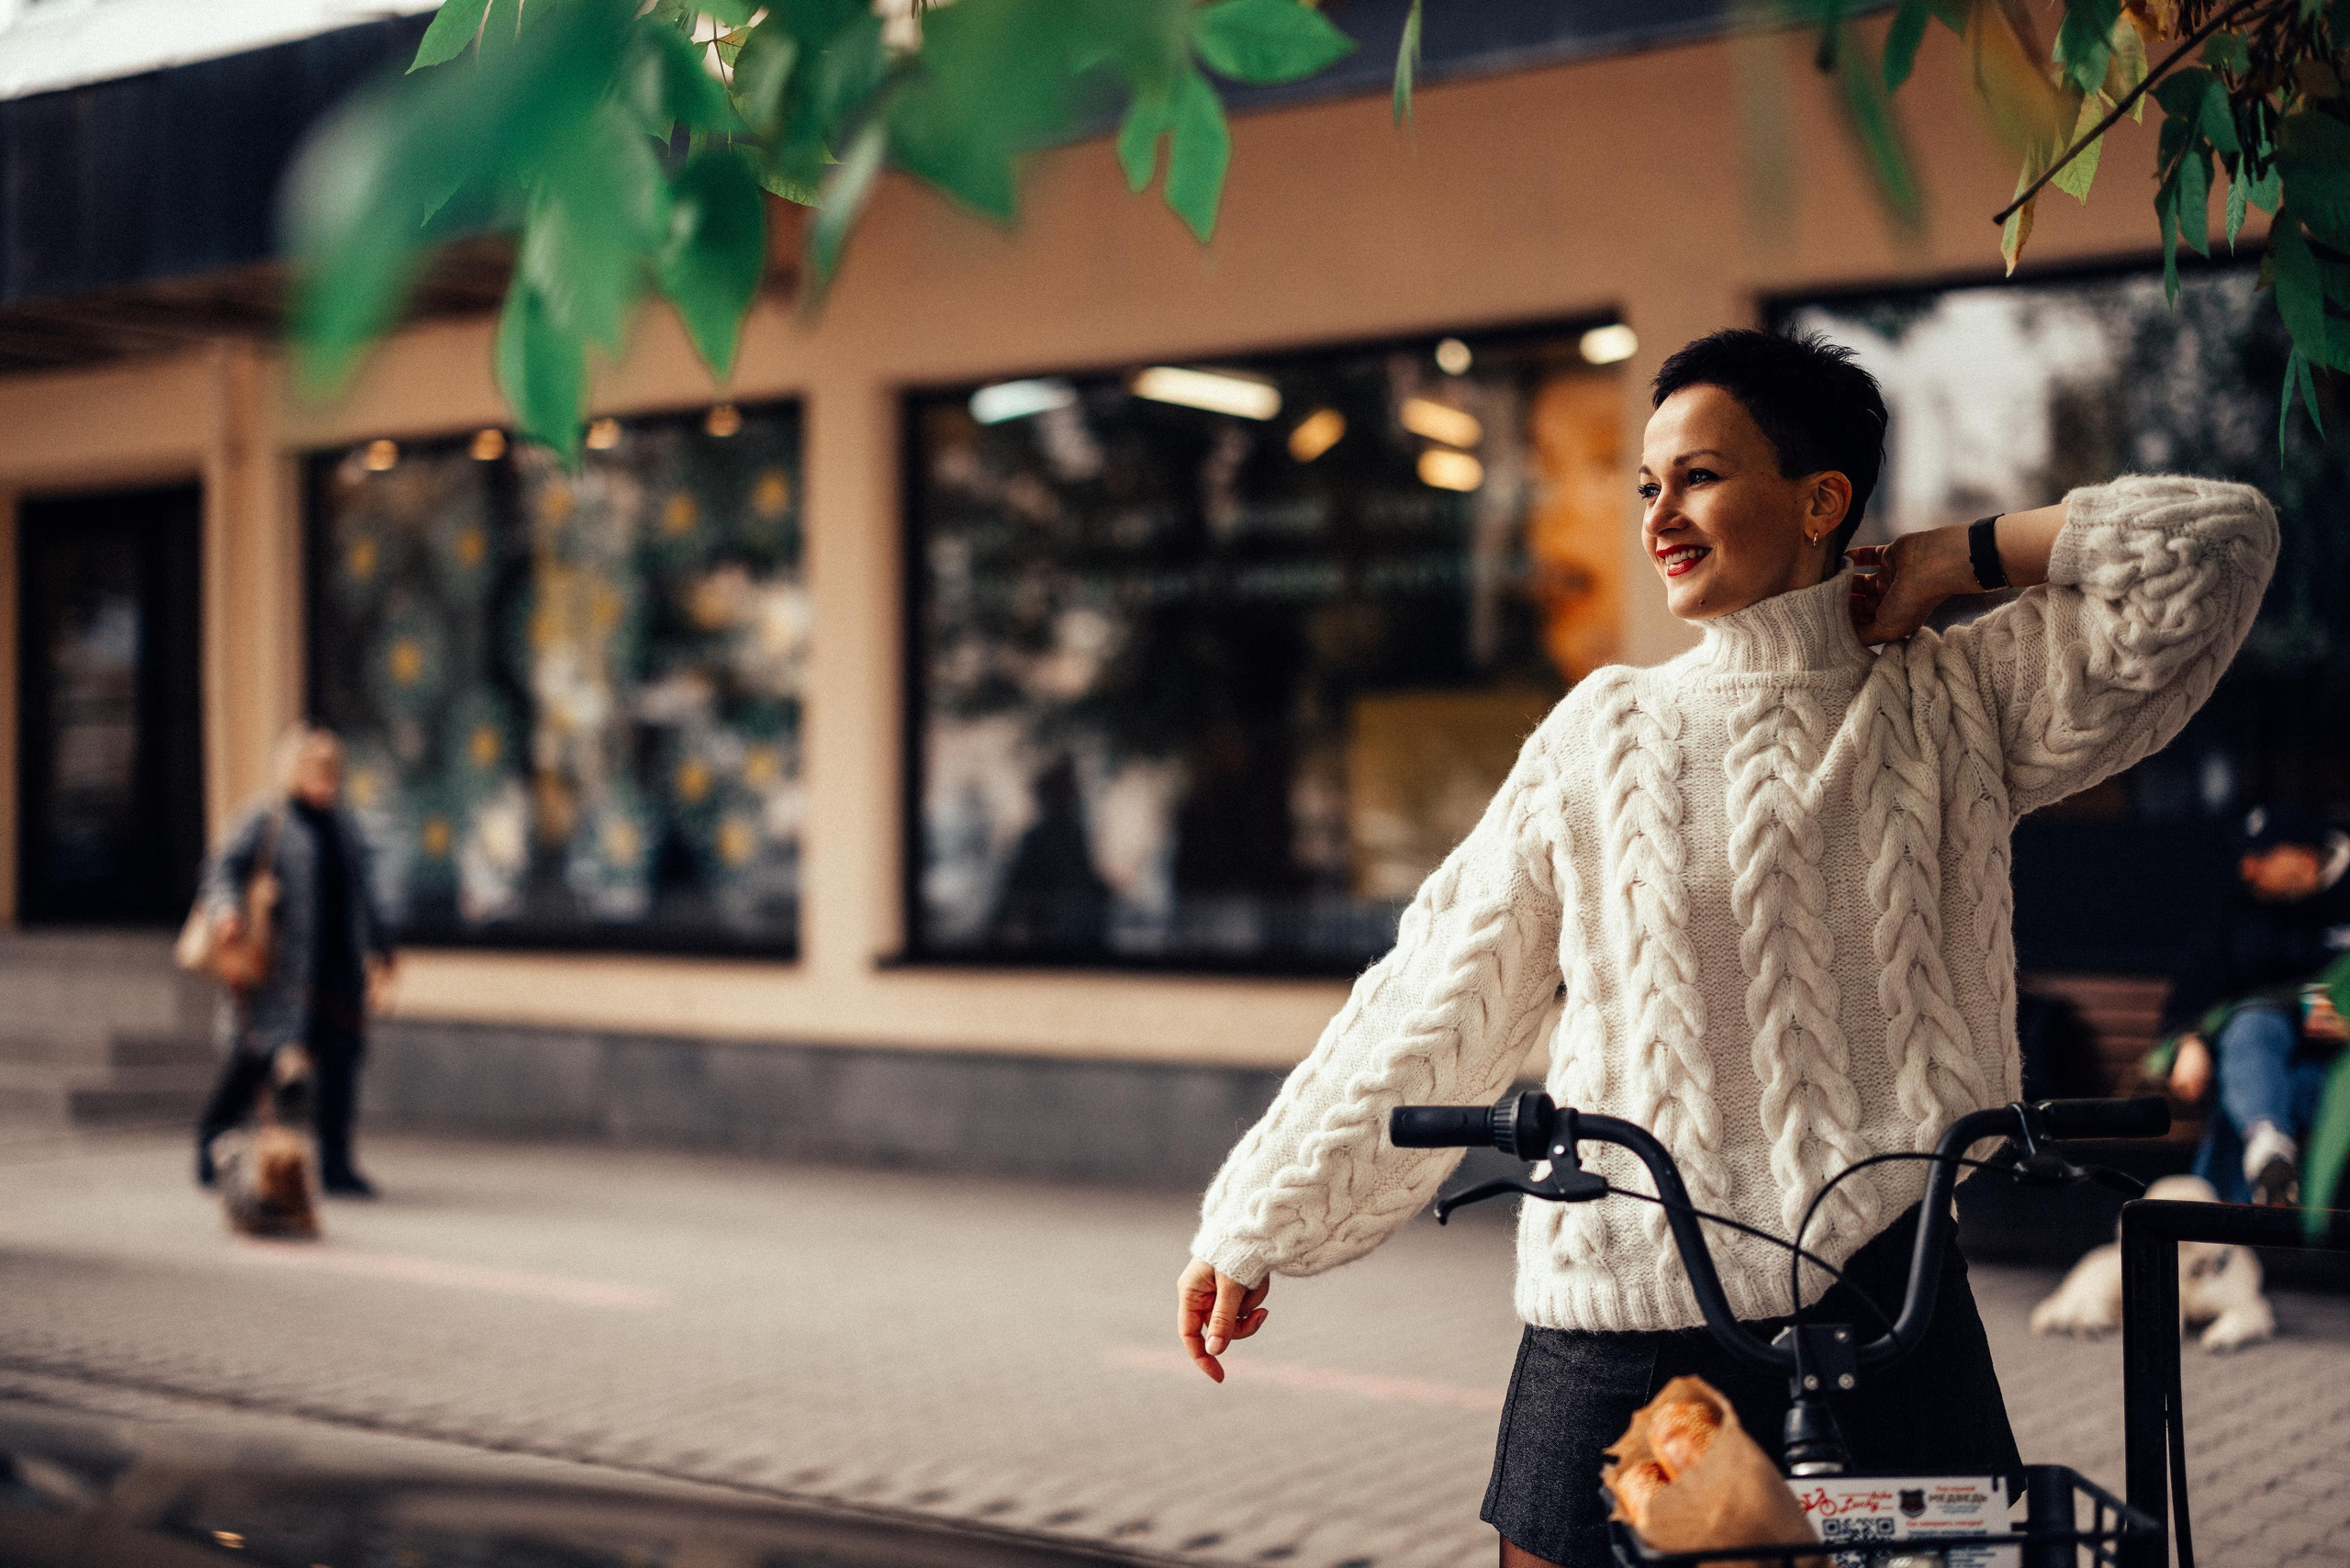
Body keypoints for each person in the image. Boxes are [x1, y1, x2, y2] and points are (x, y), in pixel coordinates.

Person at [1173, 329, 2280, 1568]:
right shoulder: (1604, 731)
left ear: (1820, 500)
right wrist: (1256, 1218)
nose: (1660, 514)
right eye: (1649, 485)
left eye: (1699, 476)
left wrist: (1953, 559)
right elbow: (1443, 983)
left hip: (1880, 1291)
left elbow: (2215, 545)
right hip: (1617, 1300)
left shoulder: (1953, 699)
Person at [194, 725, 397, 1197]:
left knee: (340, 1067)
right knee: (255, 1057)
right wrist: (227, 912)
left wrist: (382, 949)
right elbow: (222, 869)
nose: (327, 781)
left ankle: (337, 1165)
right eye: (317, 771)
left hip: (337, 967)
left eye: (333, 772)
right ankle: (211, 1141)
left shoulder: (343, 825)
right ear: (295, 772)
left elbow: (363, 896)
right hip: (281, 967)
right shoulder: (269, 819)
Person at [2157, 804, 2350, 1206]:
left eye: (2261, 857)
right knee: (2254, 1024)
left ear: (2302, 856)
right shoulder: (2239, 907)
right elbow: (2195, 990)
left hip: (2337, 1073)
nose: (2247, 869)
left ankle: (2242, 1185)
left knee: (2249, 1105)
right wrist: (2188, 1041)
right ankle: (2267, 1150)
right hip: (2256, 1059)